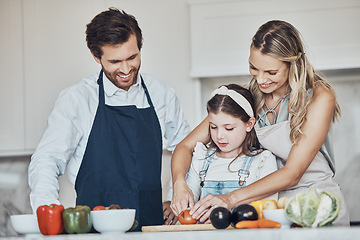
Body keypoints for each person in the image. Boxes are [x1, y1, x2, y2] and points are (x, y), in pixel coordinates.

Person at [170, 20, 350, 226]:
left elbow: (293, 173)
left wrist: (230, 198)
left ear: (293, 63)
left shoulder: (319, 96)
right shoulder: (246, 97)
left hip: (316, 202)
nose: (261, 79)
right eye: (254, 68)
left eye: (271, 72)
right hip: (273, 207)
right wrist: (179, 183)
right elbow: (185, 146)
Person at [28, 8, 190, 229]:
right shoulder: (76, 99)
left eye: (132, 57)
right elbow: (46, 159)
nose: (126, 69)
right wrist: (47, 212)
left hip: (151, 228)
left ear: (140, 48)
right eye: (115, 62)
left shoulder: (162, 94)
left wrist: (174, 197)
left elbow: (187, 146)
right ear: (96, 57)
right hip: (93, 228)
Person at [182, 84, 278, 223]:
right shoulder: (201, 158)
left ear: (249, 124)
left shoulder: (263, 160)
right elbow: (188, 210)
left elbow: (268, 211)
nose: (219, 135)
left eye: (229, 128)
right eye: (213, 127)